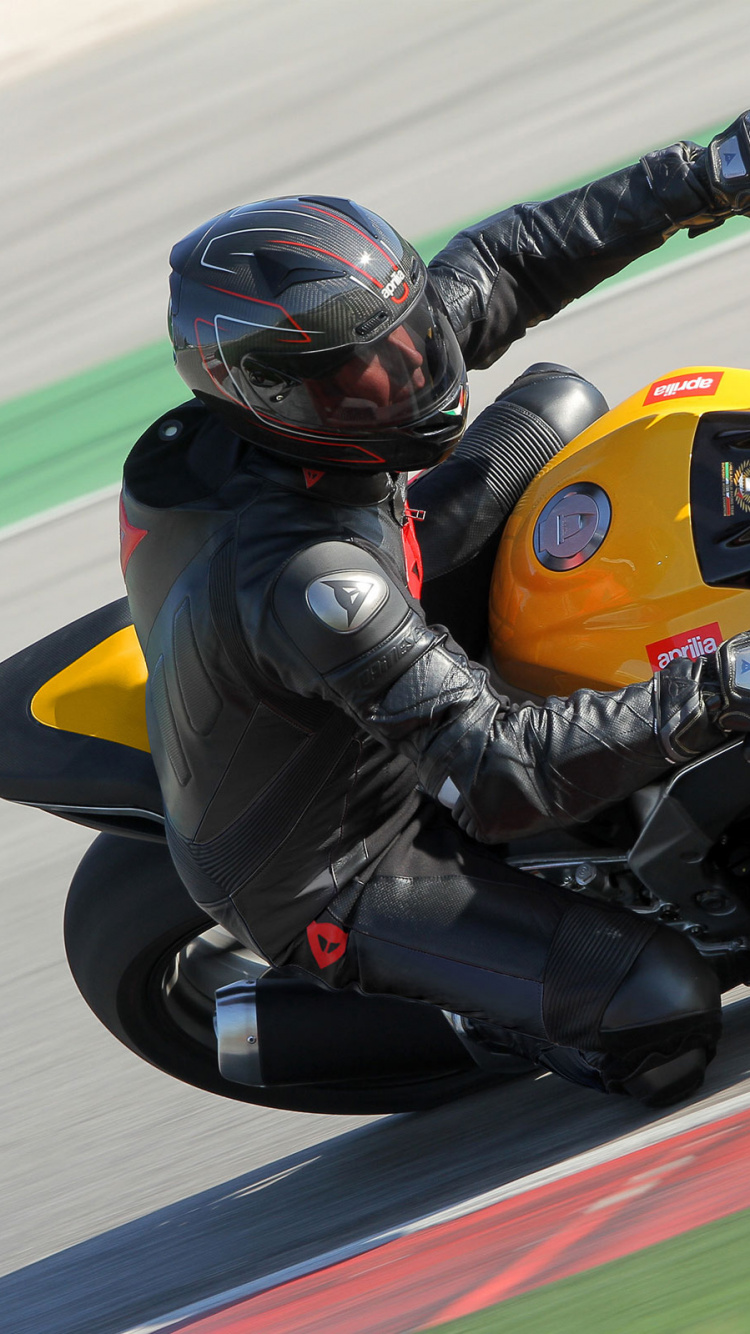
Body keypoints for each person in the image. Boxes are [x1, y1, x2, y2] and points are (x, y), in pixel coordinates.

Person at [122, 112, 750, 1107]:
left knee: (564, 408)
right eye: (372, 370)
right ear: (274, 396)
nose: (419, 368)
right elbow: (505, 772)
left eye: (412, 329)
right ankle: (457, 1002)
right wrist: (729, 682)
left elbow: (504, 261)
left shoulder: (353, 374)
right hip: (350, 852)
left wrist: (711, 172)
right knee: (661, 1011)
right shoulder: (309, 575)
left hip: (371, 616)